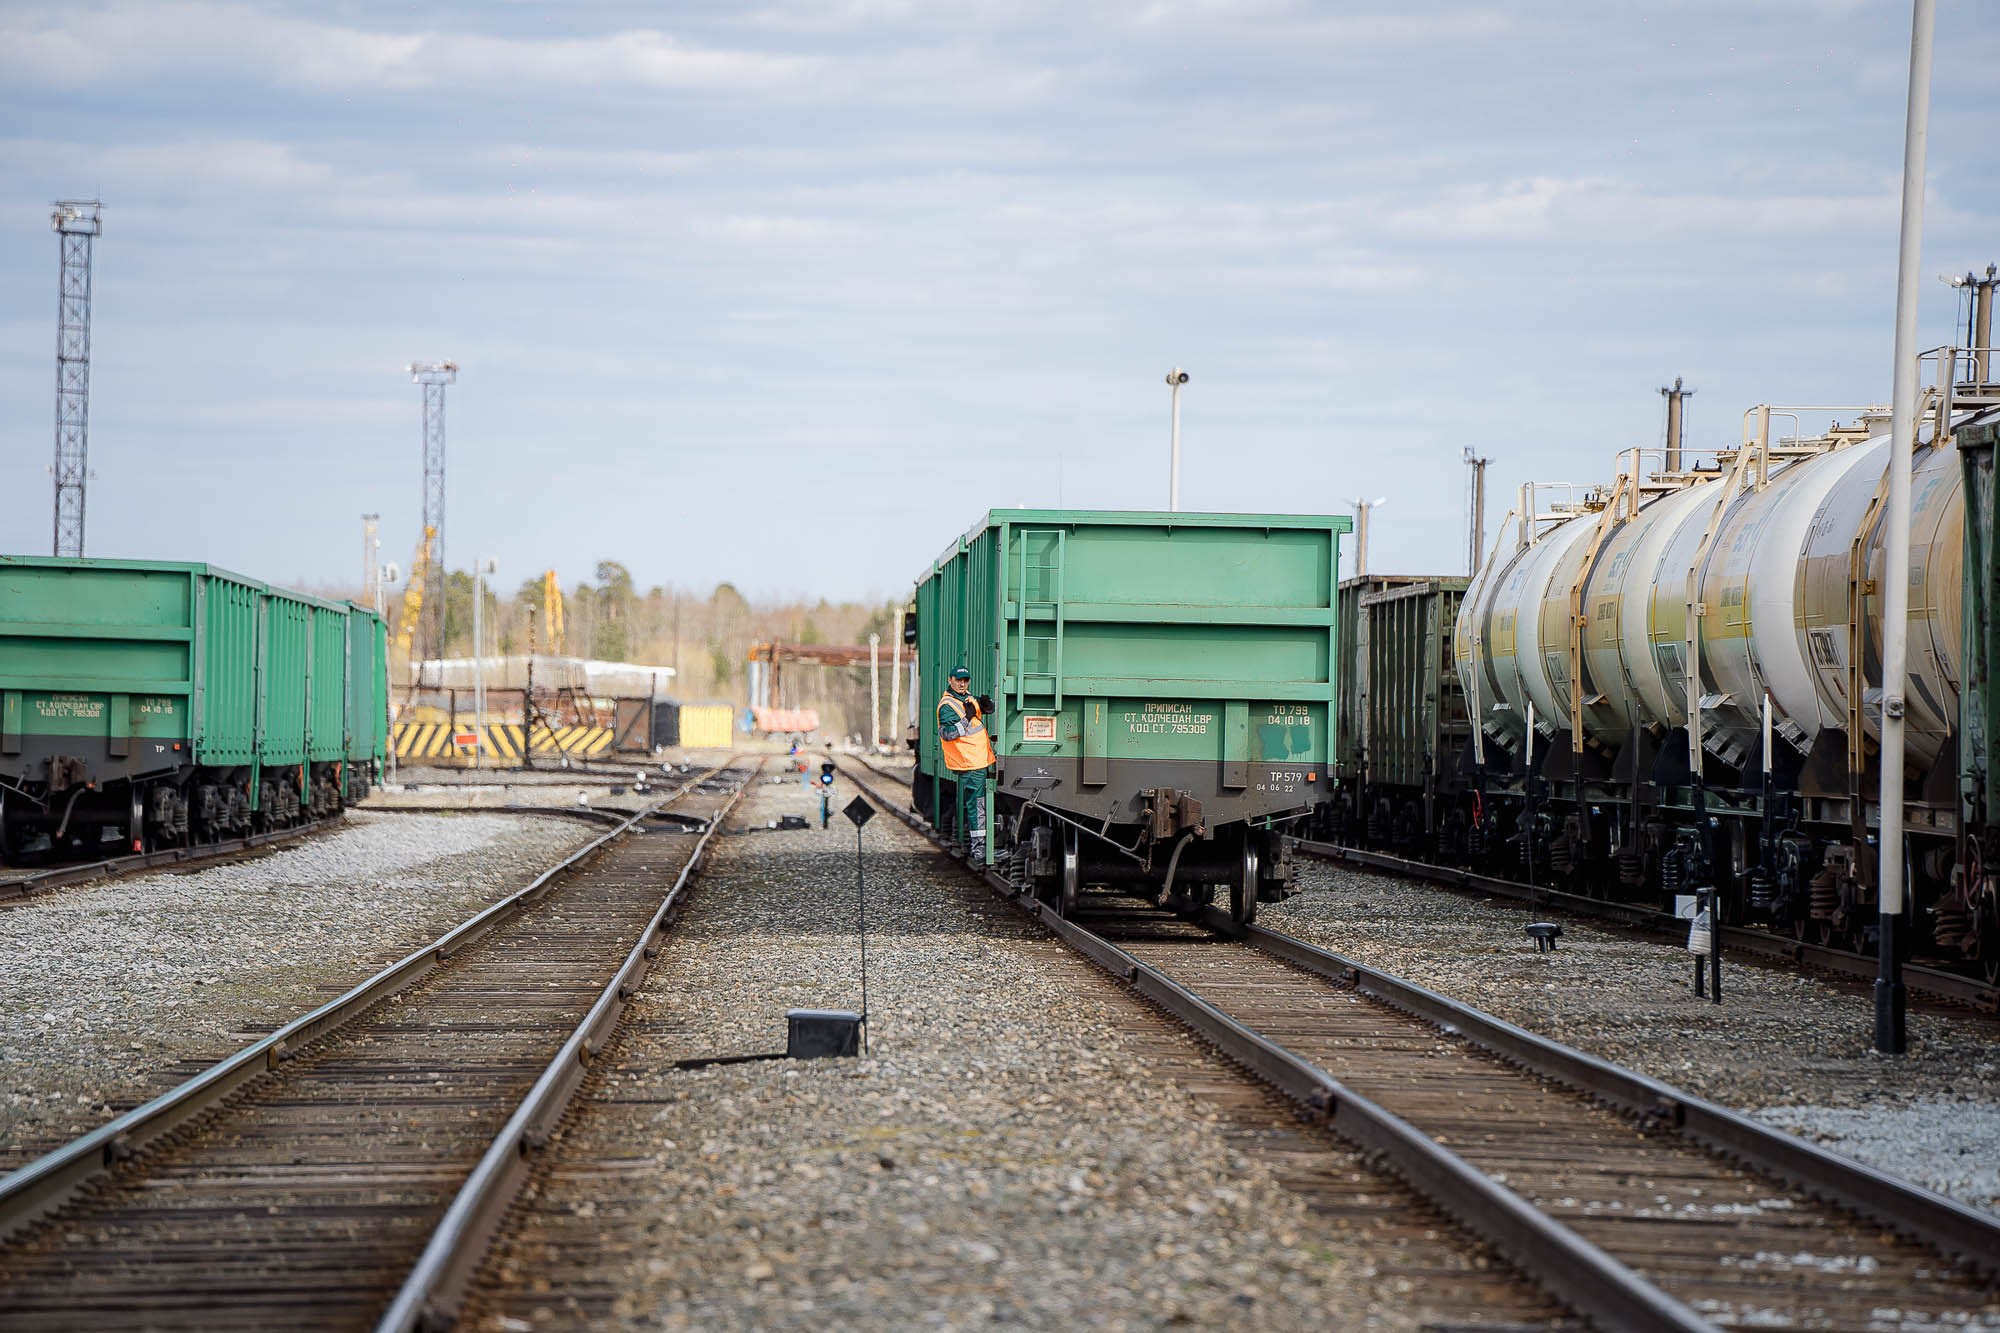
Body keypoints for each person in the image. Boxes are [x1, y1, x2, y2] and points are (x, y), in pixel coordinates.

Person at [936, 665, 996, 860]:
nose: (962, 684)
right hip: (969, 762)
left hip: (978, 759)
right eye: (958, 680)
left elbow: (980, 709)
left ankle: (980, 848)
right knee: (977, 806)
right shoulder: (947, 705)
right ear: (950, 680)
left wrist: (986, 706)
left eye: (965, 680)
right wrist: (967, 719)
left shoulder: (966, 698)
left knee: (978, 804)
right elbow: (947, 734)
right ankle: (979, 850)